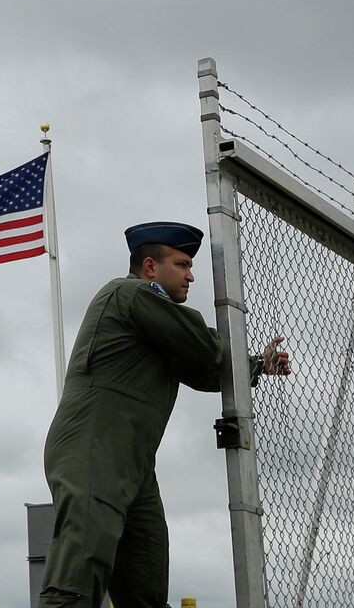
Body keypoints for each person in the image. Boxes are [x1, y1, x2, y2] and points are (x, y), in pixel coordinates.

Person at [37, 221, 291, 607]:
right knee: (75, 583)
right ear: (151, 268)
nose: (191, 276)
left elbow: (204, 370)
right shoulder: (133, 294)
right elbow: (204, 347)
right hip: (94, 453)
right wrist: (233, 352)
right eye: (182, 264)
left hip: (133, 466)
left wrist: (257, 365)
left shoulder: (157, 325)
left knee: (145, 588)